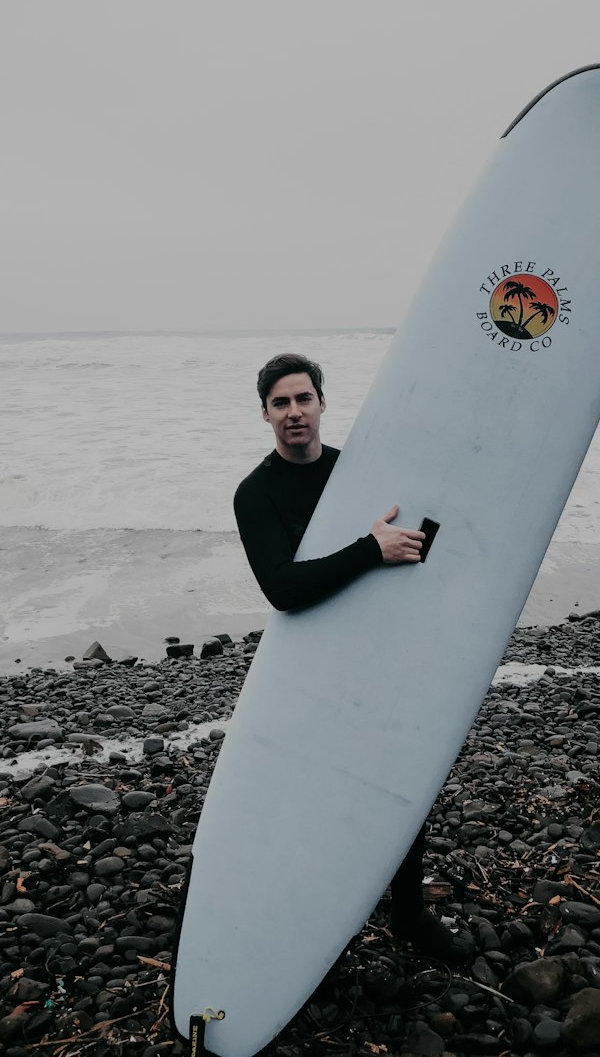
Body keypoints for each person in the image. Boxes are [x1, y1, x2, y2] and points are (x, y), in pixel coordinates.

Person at [233, 351, 474, 964]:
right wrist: (370, 549)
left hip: (380, 648)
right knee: (313, 789)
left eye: (303, 398)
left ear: (321, 404)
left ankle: (409, 910)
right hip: (308, 663)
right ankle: (312, 910)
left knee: (398, 775)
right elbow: (283, 588)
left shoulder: (355, 471)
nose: (294, 413)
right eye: (281, 403)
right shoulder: (254, 494)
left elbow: (416, 540)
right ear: (264, 414)